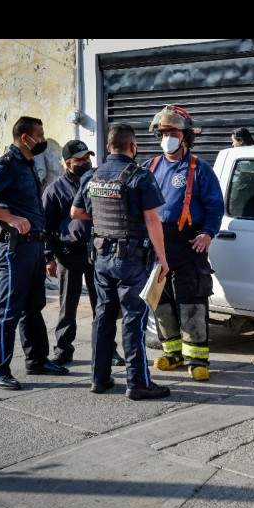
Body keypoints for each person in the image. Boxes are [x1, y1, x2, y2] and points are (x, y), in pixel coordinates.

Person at [71, 123, 170, 400]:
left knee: (103, 317)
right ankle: (137, 383)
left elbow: (76, 212)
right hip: (132, 260)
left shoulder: (91, 175)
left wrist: (103, 218)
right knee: (133, 320)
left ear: (108, 147)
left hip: (101, 258)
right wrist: (163, 259)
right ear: (133, 147)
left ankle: (99, 379)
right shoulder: (141, 176)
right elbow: (152, 220)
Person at [0, 116, 70, 390]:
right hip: (16, 248)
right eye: (40, 135)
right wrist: (9, 218)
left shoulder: (27, 164)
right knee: (9, 309)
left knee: (33, 306)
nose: (43, 139)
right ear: (25, 137)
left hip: (34, 245)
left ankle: (36, 359)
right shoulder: (7, 164)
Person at [143, 105, 225, 381]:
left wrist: (207, 233)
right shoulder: (149, 167)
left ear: (186, 137)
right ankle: (172, 353)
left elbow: (215, 206)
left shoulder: (200, 169)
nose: (168, 138)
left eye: (173, 133)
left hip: (189, 243)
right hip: (157, 245)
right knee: (162, 302)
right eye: (164, 133)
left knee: (191, 301)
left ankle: (197, 359)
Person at [42, 139, 125, 368]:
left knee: (103, 305)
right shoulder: (55, 190)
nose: (86, 162)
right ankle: (63, 349)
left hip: (98, 252)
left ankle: (108, 349)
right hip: (69, 254)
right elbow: (46, 226)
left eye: (88, 158)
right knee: (68, 306)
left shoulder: (98, 181)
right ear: (68, 164)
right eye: (80, 160)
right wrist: (49, 257)